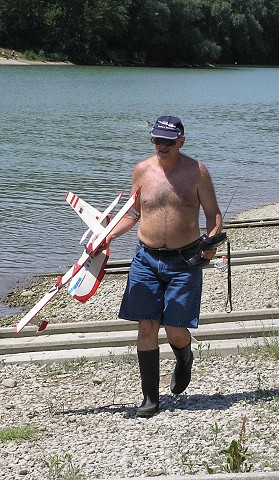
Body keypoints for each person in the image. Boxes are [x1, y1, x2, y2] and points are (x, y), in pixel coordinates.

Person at [99, 115, 222, 417]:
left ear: (181, 141)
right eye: (157, 140)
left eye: (168, 141)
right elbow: (132, 214)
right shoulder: (141, 170)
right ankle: (150, 398)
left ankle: (184, 358)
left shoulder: (197, 171)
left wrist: (211, 244)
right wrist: (107, 235)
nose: (162, 146)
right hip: (147, 259)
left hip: (184, 260)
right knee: (147, 325)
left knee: (175, 329)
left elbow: (213, 214)